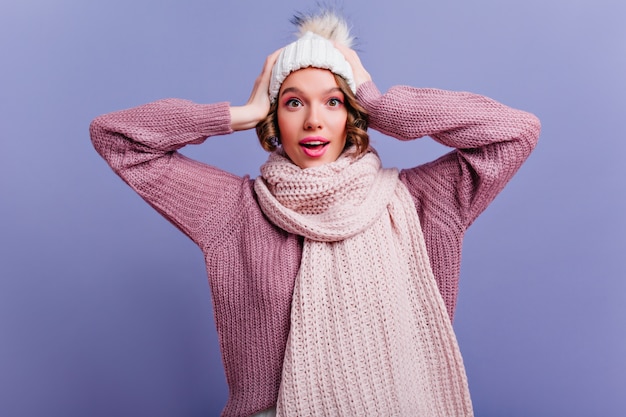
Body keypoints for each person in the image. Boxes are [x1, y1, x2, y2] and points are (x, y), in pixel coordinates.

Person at [90, 10, 540, 417]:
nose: (313, 121)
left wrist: (382, 105)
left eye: (333, 101)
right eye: (293, 102)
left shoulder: (423, 200)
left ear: (352, 115)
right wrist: (241, 112)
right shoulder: (234, 212)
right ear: (274, 117)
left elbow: (514, 132)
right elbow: (117, 139)